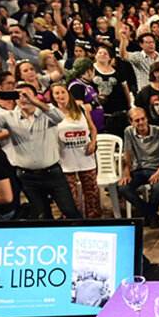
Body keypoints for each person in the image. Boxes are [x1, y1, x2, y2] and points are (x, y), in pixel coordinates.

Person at [0, 83, 82, 219]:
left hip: (53, 173)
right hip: (27, 177)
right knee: (41, 216)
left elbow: (59, 117)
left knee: (70, 211)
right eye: (19, 95)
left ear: (35, 97)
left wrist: (35, 101)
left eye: (26, 95)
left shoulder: (46, 114)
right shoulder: (10, 117)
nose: (23, 98)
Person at [49, 83, 100, 218]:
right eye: (57, 93)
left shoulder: (81, 109)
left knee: (92, 193)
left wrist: (93, 143)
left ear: (68, 93)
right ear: (53, 97)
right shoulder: (52, 113)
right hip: (65, 159)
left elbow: (92, 128)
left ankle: (94, 221)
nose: (61, 95)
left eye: (63, 92)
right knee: (69, 196)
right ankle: (73, 222)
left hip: (85, 156)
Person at [118, 107, 159, 228]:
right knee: (123, 188)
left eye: (143, 119)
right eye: (137, 120)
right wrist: (126, 172)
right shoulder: (129, 132)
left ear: (147, 118)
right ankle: (151, 215)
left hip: (157, 168)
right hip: (139, 169)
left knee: (158, 188)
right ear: (131, 122)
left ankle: (148, 215)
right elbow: (128, 154)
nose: (141, 122)